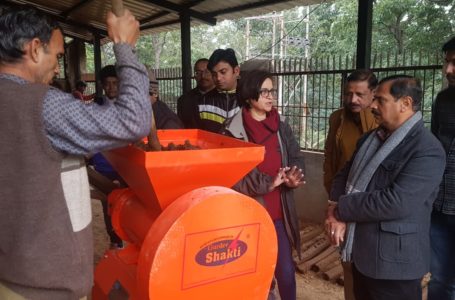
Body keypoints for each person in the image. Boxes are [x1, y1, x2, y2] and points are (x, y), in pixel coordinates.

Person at [0, 6, 152, 300]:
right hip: (47, 288)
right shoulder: (43, 104)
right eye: (57, 56)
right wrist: (124, 46)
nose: (58, 68)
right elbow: (134, 120)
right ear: (33, 49)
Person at [325, 75, 446, 300]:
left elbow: (396, 202)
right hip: (362, 255)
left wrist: (340, 208)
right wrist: (334, 208)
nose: (372, 105)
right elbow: (343, 175)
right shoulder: (370, 139)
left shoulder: (427, 149)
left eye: (380, 100)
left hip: (394, 266)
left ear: (405, 104)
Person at [221, 70, 305, 300]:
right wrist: (267, 183)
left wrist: (295, 177)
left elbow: (296, 158)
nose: (271, 97)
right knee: (255, 272)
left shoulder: (282, 126)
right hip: (247, 217)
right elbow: (231, 177)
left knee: (286, 272)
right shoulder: (232, 131)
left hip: (279, 215)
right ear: (249, 95)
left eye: (272, 91)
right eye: (265, 91)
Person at [323, 69, 378, 300]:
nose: (352, 100)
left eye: (360, 94)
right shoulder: (337, 118)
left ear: (373, 94)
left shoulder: (381, 118)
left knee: (371, 265)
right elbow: (330, 159)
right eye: (348, 94)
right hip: (342, 202)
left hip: (373, 204)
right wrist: (333, 201)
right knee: (347, 261)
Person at [428, 36, 455, 300]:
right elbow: (434, 148)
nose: (448, 71)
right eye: (446, 63)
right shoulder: (443, 100)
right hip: (440, 207)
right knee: (439, 280)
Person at [198, 48, 240, 133]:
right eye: (214, 74)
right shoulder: (203, 102)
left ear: (236, 71)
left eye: (223, 72)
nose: (218, 78)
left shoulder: (249, 100)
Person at [177, 58, 214, 128]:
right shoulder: (184, 100)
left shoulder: (223, 99)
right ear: (194, 76)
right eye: (198, 73)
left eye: (206, 72)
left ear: (213, 74)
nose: (203, 76)